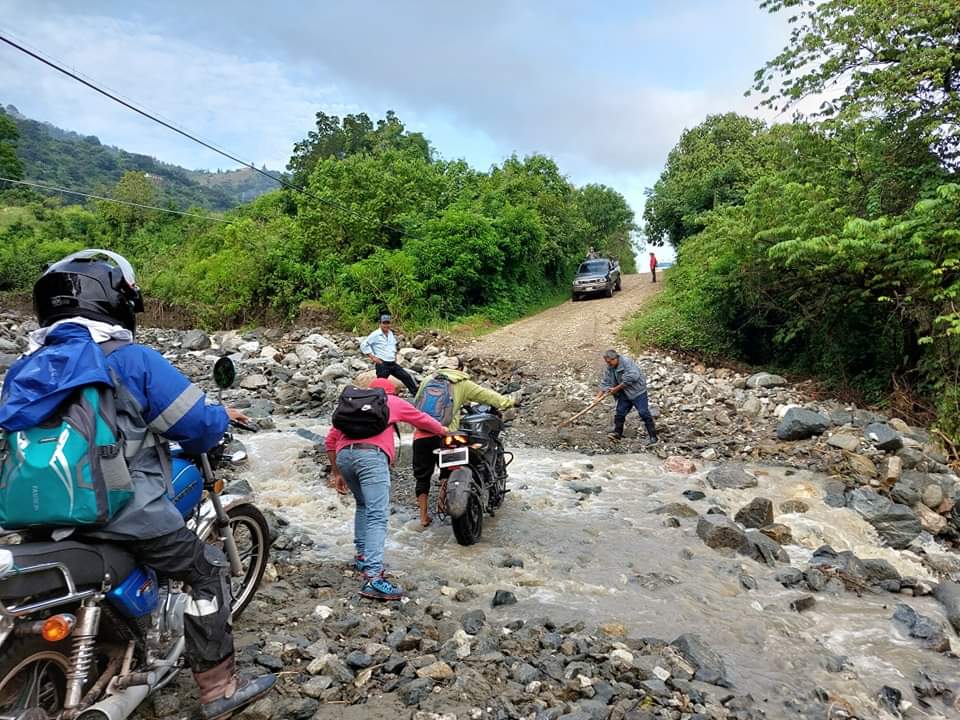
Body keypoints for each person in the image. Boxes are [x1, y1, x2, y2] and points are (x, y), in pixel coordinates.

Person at [0, 250, 275, 720]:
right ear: (115, 299)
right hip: (125, 515)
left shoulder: (26, 367)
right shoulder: (130, 360)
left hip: (34, 514)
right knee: (206, 571)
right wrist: (217, 418)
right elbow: (198, 426)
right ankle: (218, 690)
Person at [326, 378, 446, 600]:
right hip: (371, 457)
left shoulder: (353, 406)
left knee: (363, 506)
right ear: (392, 392)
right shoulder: (392, 401)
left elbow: (330, 440)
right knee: (377, 515)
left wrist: (337, 473)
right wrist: (443, 430)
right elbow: (423, 420)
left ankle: (362, 557)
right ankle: (373, 578)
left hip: (344, 456)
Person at [411, 357, 521, 527]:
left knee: (422, 476)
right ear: (460, 368)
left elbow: (416, 405)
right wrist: (509, 402)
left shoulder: (428, 380)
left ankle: (423, 516)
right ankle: (444, 505)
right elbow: (487, 396)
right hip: (445, 434)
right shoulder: (461, 382)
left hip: (421, 434)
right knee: (447, 470)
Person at [596, 349, 658, 444]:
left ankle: (653, 437)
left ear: (615, 358)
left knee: (643, 412)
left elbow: (633, 377)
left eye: (610, 362)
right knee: (620, 413)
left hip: (638, 391)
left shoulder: (626, 362)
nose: (609, 364)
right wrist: (598, 397)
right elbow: (606, 381)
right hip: (624, 393)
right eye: (607, 362)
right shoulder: (610, 367)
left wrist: (616, 388)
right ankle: (617, 434)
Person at [360, 314, 419, 395]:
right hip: (382, 364)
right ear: (380, 324)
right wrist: (373, 357)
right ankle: (377, 402)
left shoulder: (390, 333)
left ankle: (417, 396)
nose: (386, 325)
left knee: (406, 377)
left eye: (388, 323)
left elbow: (393, 345)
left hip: (392, 363)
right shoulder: (375, 334)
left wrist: (394, 356)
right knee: (381, 385)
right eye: (384, 323)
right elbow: (363, 345)